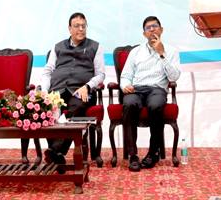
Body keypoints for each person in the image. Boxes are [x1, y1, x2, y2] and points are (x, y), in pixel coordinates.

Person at [41, 12, 106, 165]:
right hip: (58, 90)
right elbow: (47, 71)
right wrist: (44, 92)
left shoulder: (95, 47)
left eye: (83, 26)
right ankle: (57, 156)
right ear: (69, 28)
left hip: (80, 91)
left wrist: (88, 86)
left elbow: (101, 74)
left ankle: (55, 151)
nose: (81, 29)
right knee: (48, 107)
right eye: (77, 26)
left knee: (75, 107)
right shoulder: (57, 47)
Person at [120, 16, 181, 172]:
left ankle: (153, 153)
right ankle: (133, 155)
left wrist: (162, 54)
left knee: (155, 106)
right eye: (148, 28)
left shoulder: (171, 51)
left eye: (155, 26)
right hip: (137, 89)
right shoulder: (135, 52)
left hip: (157, 89)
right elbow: (126, 75)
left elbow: (174, 77)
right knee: (129, 104)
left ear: (161, 30)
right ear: (144, 33)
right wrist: (125, 85)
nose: (152, 29)